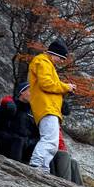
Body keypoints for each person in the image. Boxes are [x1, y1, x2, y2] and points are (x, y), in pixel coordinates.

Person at [27, 39, 75, 174]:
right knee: (50, 139)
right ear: (54, 54)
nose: (61, 61)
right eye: (60, 58)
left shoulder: (45, 63)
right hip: (47, 107)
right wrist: (66, 87)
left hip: (48, 107)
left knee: (52, 141)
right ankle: (37, 164)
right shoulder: (43, 62)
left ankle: (43, 166)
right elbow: (46, 84)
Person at [0, 82, 37, 162]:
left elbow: (37, 136)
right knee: (18, 141)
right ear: (22, 92)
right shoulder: (6, 108)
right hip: (6, 147)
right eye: (31, 91)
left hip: (26, 150)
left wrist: (29, 142)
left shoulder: (33, 113)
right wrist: (9, 138)